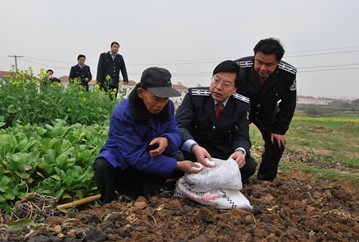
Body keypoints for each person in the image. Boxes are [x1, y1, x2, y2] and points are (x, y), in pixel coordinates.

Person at [93, 67, 201, 204]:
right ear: (140, 93)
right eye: (156, 99)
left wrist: (166, 139)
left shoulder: (168, 108)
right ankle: (109, 203)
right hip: (125, 158)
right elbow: (135, 156)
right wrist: (177, 165)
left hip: (152, 157)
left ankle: (149, 193)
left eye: (165, 99)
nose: (161, 105)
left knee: (178, 157)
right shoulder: (122, 114)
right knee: (102, 166)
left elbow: (175, 132)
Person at [175, 60, 257, 182]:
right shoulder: (194, 96)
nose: (218, 87)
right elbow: (180, 126)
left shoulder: (241, 105)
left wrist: (240, 151)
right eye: (216, 80)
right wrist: (194, 147)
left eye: (226, 84)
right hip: (193, 149)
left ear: (235, 89)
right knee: (176, 159)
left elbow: (242, 136)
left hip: (220, 151)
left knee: (248, 166)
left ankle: (212, 179)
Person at [235, 38, 297, 181]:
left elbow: (289, 103)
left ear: (278, 62)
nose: (263, 68)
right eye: (259, 62)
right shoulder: (239, 68)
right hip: (242, 111)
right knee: (233, 139)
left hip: (267, 111)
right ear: (254, 56)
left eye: (269, 64)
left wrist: (279, 130)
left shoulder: (288, 74)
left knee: (277, 143)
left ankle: (265, 179)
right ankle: (238, 173)